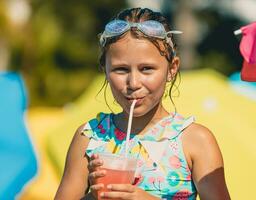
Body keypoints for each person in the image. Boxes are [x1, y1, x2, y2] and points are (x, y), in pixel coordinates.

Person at [55, 7, 230, 200]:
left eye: (146, 69)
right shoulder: (90, 137)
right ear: (104, 69)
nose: (133, 83)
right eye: (121, 70)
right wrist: (93, 197)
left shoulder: (195, 140)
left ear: (172, 69)